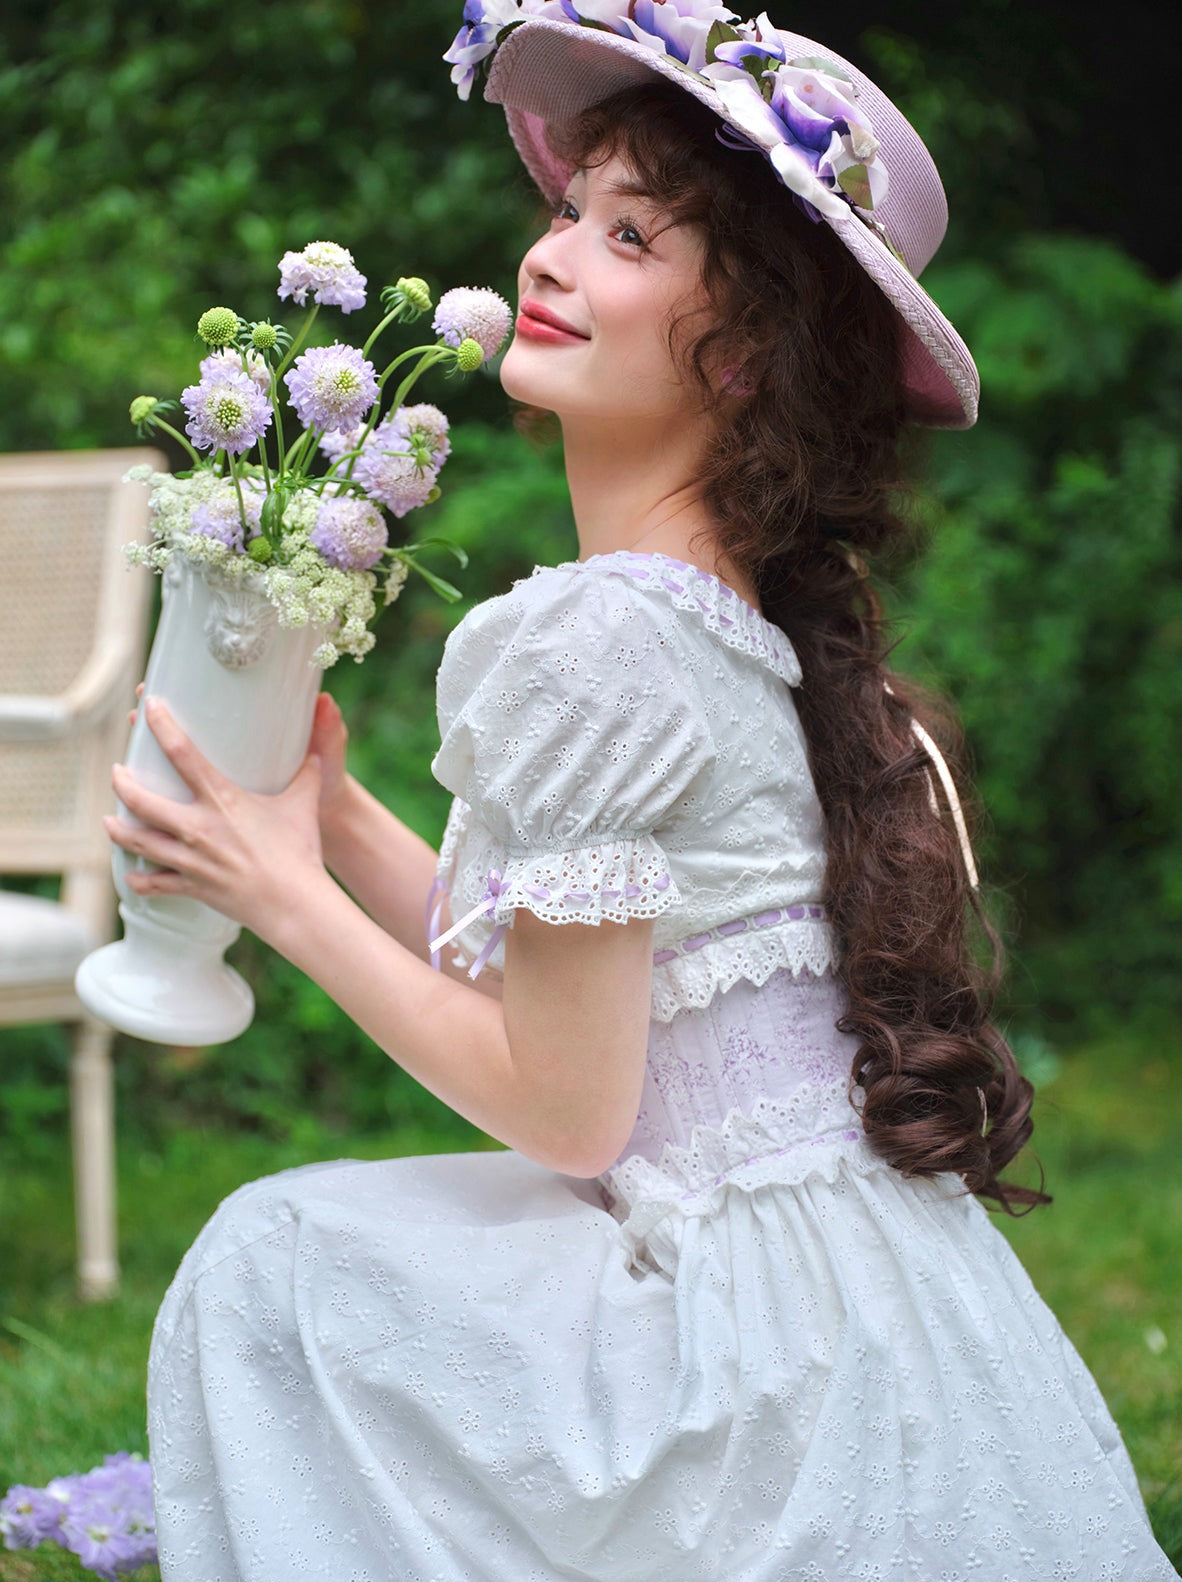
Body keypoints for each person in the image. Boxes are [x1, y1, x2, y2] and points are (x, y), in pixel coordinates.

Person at [113, 7, 1177, 1578]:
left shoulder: (605, 634)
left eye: (628, 235)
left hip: (748, 1349)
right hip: (851, 1293)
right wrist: (330, 819)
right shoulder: (699, 615)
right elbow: (585, 975)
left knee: (278, 1259)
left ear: (740, 351)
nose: (548, 259)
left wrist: (278, 898)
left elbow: (566, 1101)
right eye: (565, 212)